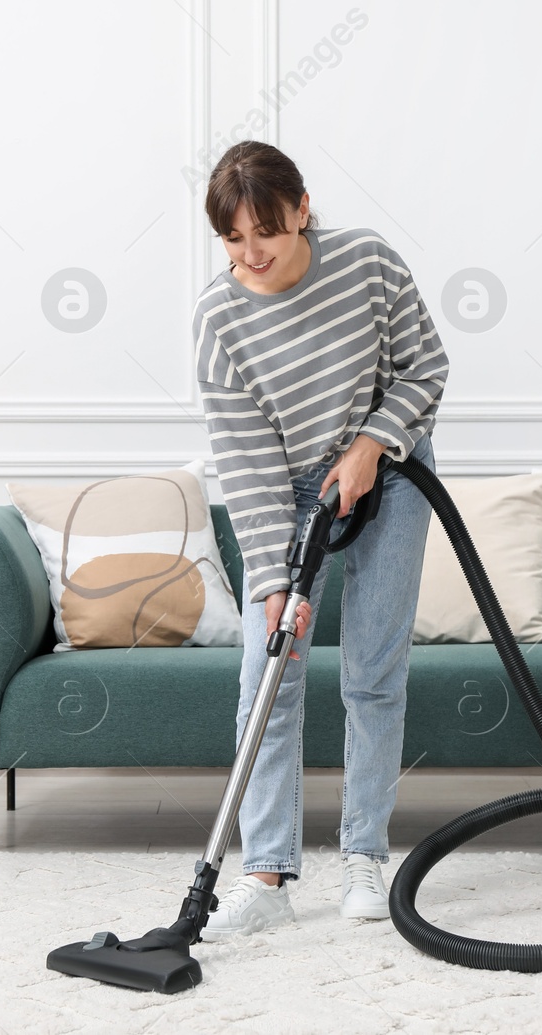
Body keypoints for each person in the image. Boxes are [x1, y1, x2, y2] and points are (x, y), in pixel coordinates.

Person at [189, 140, 451, 939]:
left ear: (303, 208)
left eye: (264, 230)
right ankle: (265, 874)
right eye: (233, 239)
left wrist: (373, 443)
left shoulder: (369, 263)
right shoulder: (220, 320)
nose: (251, 253)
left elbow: (425, 366)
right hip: (288, 488)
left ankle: (364, 852)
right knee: (268, 673)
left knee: (374, 670)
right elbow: (246, 465)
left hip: (394, 471)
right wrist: (273, 584)